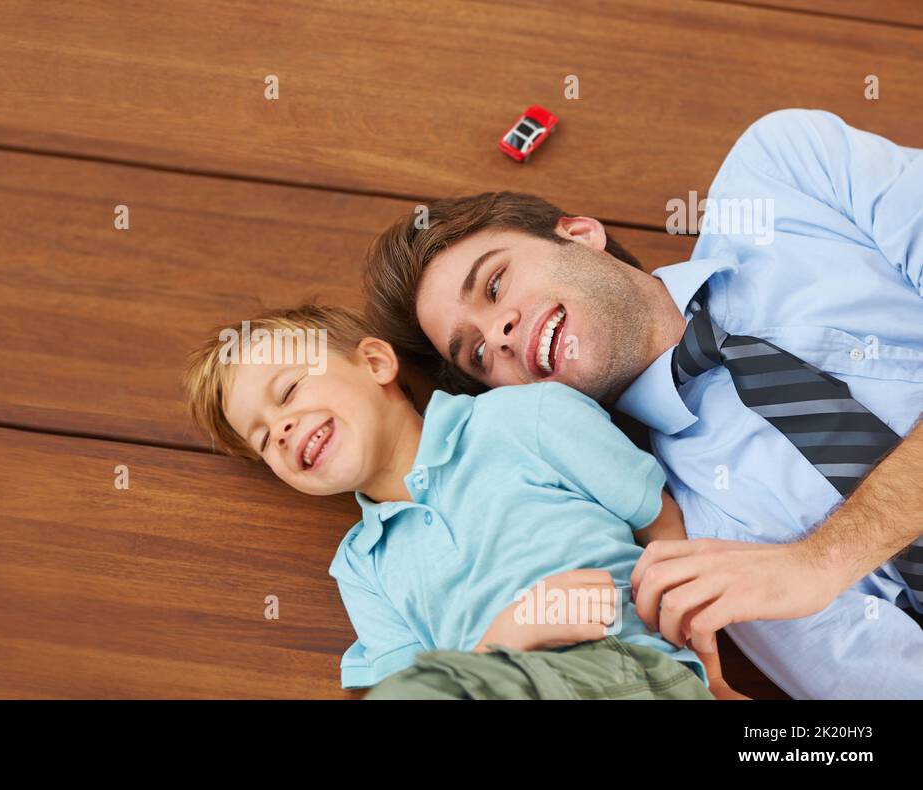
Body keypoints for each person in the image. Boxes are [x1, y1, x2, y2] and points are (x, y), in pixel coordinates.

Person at [362, 109, 923, 698]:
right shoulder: (699, 542)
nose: (498, 333)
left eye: (495, 284)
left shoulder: (783, 175)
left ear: (579, 235)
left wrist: (825, 561)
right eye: (477, 354)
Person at [182, 304, 736, 699]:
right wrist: (507, 637)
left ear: (375, 363)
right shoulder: (362, 564)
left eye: (288, 392)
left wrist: (710, 672)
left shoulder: (525, 418)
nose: (279, 429)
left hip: (621, 669)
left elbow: (660, 523)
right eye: (262, 440)